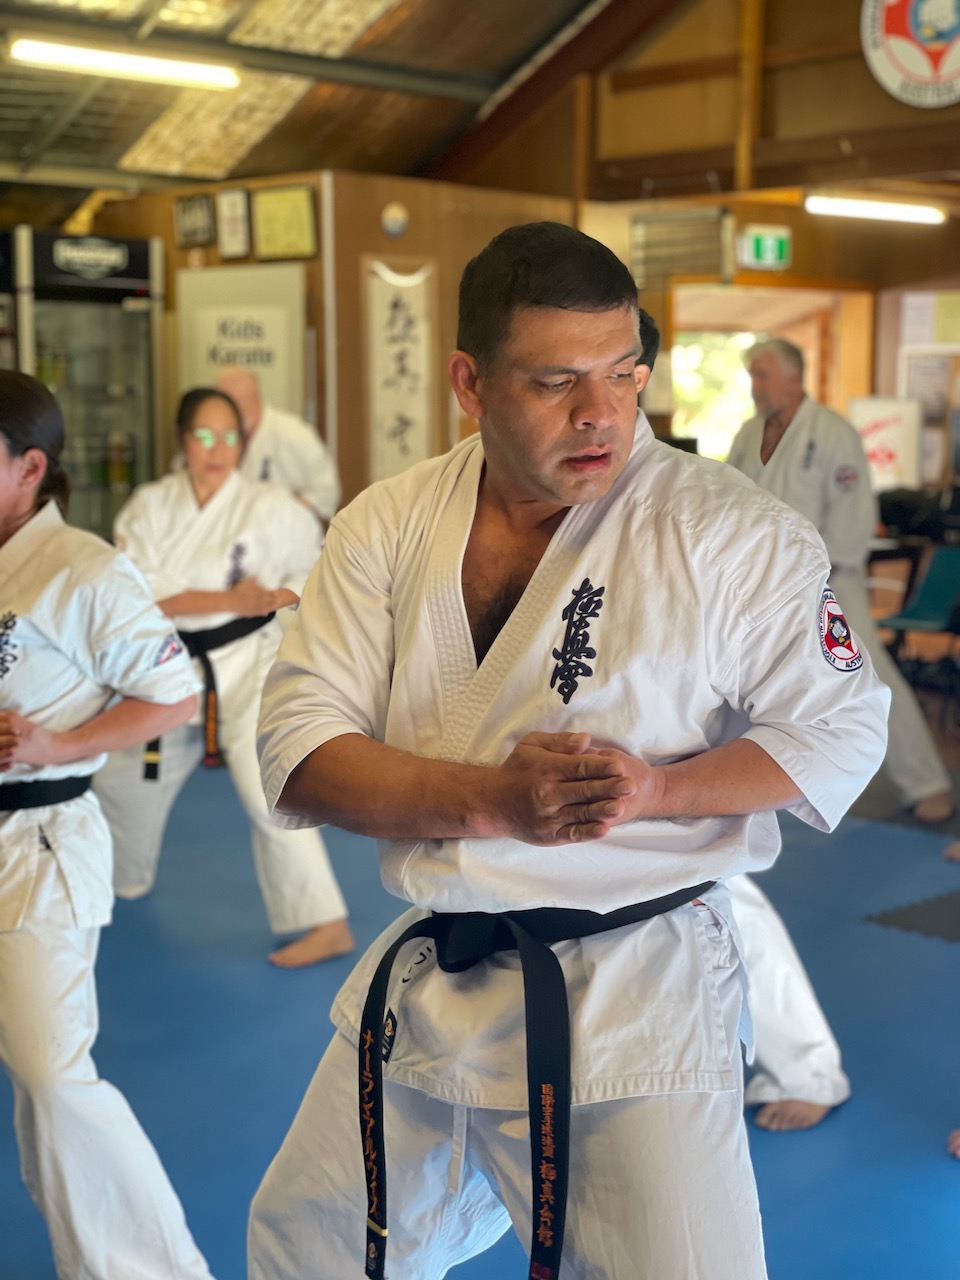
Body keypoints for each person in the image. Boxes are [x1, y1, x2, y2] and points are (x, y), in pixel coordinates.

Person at [248, 223, 888, 1280]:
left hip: (637, 994)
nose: (601, 412)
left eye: (623, 373)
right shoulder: (387, 524)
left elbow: (842, 726)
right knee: (305, 1243)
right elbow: (300, 745)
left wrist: (658, 789)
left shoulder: (731, 532)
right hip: (439, 973)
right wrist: (495, 803)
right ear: (469, 381)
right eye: (555, 382)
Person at [0, 370, 214, 1279]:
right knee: (34, 1076)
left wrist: (60, 742)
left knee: (53, 1073)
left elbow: (174, 695)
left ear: (29, 467)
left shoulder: (81, 568)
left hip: (38, 841)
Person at [639, 318, 851, 1133]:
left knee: (715, 886)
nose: (757, 388)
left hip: (780, 623)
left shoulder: (680, 489)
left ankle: (808, 1067)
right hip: (653, 705)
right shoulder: (730, 445)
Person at [93, 387, 352, 969]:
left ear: (244, 443)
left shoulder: (273, 508)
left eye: (229, 436)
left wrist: (270, 598)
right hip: (166, 666)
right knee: (122, 776)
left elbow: (314, 573)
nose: (217, 449)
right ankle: (115, 881)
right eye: (204, 436)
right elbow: (137, 594)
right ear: (182, 441)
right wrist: (231, 598)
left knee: (271, 787)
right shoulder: (149, 507)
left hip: (248, 664)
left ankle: (324, 923)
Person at [728, 337, 953, 826]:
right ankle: (746, 786)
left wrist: (813, 572)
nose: (755, 386)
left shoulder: (833, 433)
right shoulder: (749, 434)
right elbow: (733, 500)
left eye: (762, 376)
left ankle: (927, 783)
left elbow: (854, 518)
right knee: (744, 682)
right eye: (752, 376)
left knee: (872, 679)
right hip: (762, 585)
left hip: (829, 583)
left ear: (793, 377)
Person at [215, 366, 341, 524]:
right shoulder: (224, 438)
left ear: (254, 397)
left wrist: (284, 516)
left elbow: (327, 491)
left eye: (235, 402)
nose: (228, 412)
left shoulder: (292, 433)